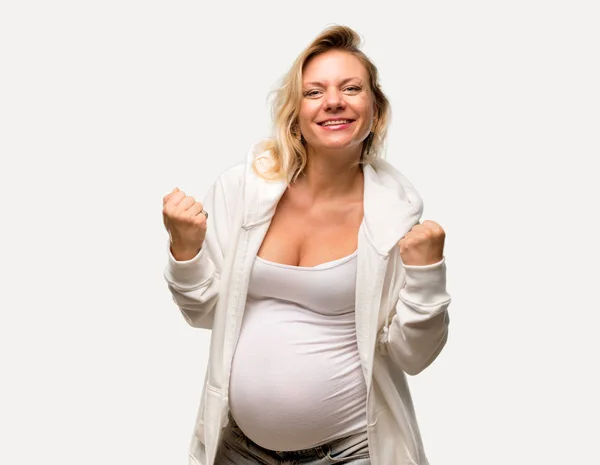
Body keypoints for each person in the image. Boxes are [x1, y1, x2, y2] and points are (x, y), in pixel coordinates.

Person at [162, 25, 451, 465]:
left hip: (351, 450)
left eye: (351, 88)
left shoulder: (396, 215)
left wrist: (429, 276)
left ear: (376, 108)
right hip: (239, 450)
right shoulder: (241, 190)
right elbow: (204, 313)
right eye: (314, 91)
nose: (333, 101)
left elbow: (413, 355)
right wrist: (186, 250)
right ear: (295, 112)